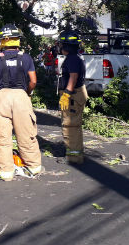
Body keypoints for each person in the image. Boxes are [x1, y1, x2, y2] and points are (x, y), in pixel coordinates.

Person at [0, 24, 41, 181]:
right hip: (21, 97)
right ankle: (33, 167)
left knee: (1, 136)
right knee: (26, 134)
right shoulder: (26, 58)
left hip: (1, 98)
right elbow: (33, 81)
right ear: (18, 40)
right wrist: (27, 93)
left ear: (3, 40)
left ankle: (6, 172)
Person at [57, 29, 88, 164]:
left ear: (66, 46)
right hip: (77, 93)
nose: (59, 47)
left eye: (61, 44)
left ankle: (73, 157)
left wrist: (66, 95)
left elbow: (73, 77)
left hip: (73, 95)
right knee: (75, 125)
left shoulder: (72, 59)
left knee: (70, 125)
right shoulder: (75, 58)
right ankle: (76, 154)